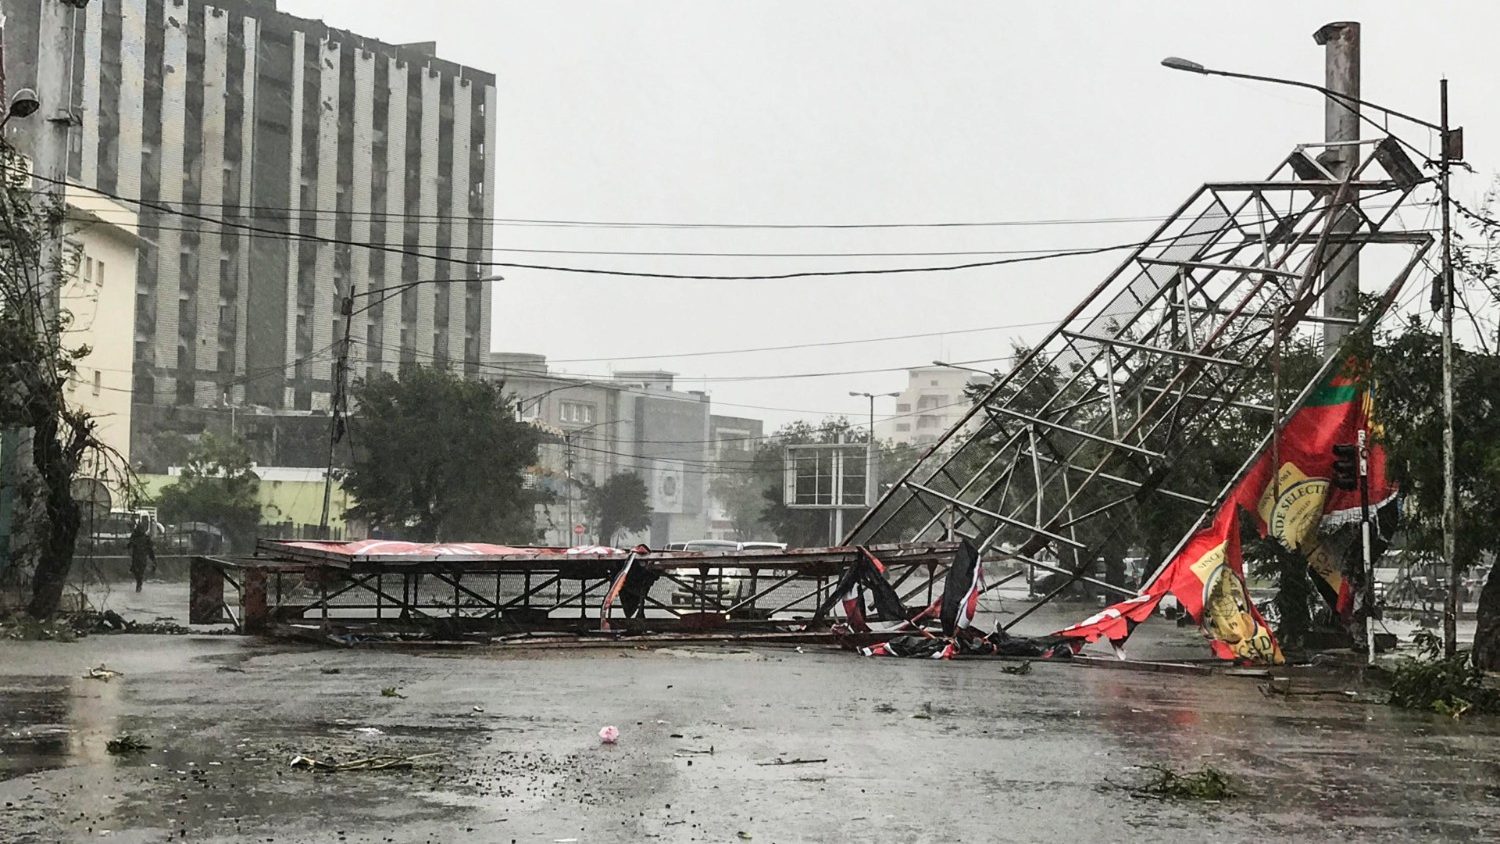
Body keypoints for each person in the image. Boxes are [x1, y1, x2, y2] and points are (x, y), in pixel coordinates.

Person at [128, 518, 157, 593]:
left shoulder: (145, 538)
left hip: (140, 558)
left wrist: (153, 559)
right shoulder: (135, 536)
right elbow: (129, 544)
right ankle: (139, 583)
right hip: (138, 557)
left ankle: (139, 584)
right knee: (137, 571)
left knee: (139, 572)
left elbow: (150, 549)